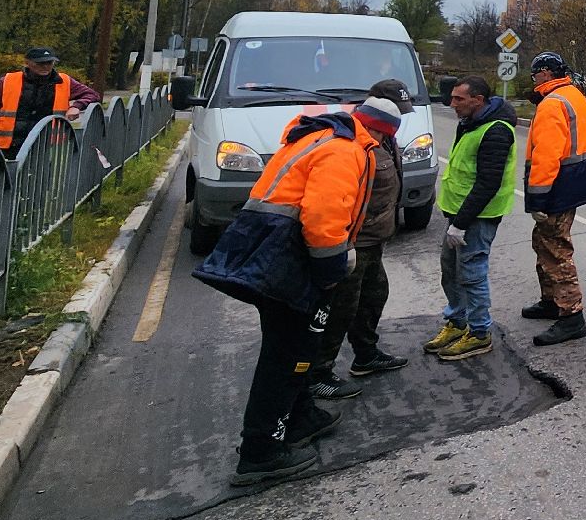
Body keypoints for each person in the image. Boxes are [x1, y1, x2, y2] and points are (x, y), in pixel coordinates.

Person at [192, 95, 390, 486]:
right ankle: (261, 452)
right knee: (287, 356)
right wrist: (333, 267)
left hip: (272, 249)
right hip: (291, 255)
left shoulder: (317, 138)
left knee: (297, 347)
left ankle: (300, 417)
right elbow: (323, 215)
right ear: (381, 131)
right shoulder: (344, 151)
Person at [307, 80, 412, 399]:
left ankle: (365, 355)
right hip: (353, 242)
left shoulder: (384, 137)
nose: (403, 118)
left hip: (374, 240)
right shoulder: (350, 143)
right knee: (341, 309)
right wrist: (340, 244)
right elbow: (332, 200)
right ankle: (317, 372)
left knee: (374, 295)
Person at [424, 75, 517, 363]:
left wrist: (461, 223)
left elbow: (488, 183)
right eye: (452, 98)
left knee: (472, 275)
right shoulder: (470, 123)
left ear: (478, 100)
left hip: (477, 217)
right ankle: (457, 322)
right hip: (458, 213)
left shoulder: (497, 131)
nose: (451, 104)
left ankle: (479, 333)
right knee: (450, 270)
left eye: (458, 99)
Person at [522, 51, 586, 347]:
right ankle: (551, 301)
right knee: (544, 242)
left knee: (556, 250)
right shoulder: (571, 94)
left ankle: (571, 317)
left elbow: (547, 155)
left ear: (545, 73)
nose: (534, 79)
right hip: (573, 183)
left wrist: (538, 198)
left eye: (535, 74)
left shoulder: (552, 103)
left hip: (557, 188)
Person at [0, 47, 99, 158]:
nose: (45, 66)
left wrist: (77, 106)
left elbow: (92, 95)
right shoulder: (8, 81)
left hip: (44, 146)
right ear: (27, 63)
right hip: (8, 146)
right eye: (40, 63)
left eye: (49, 63)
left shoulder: (63, 81)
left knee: (38, 181)